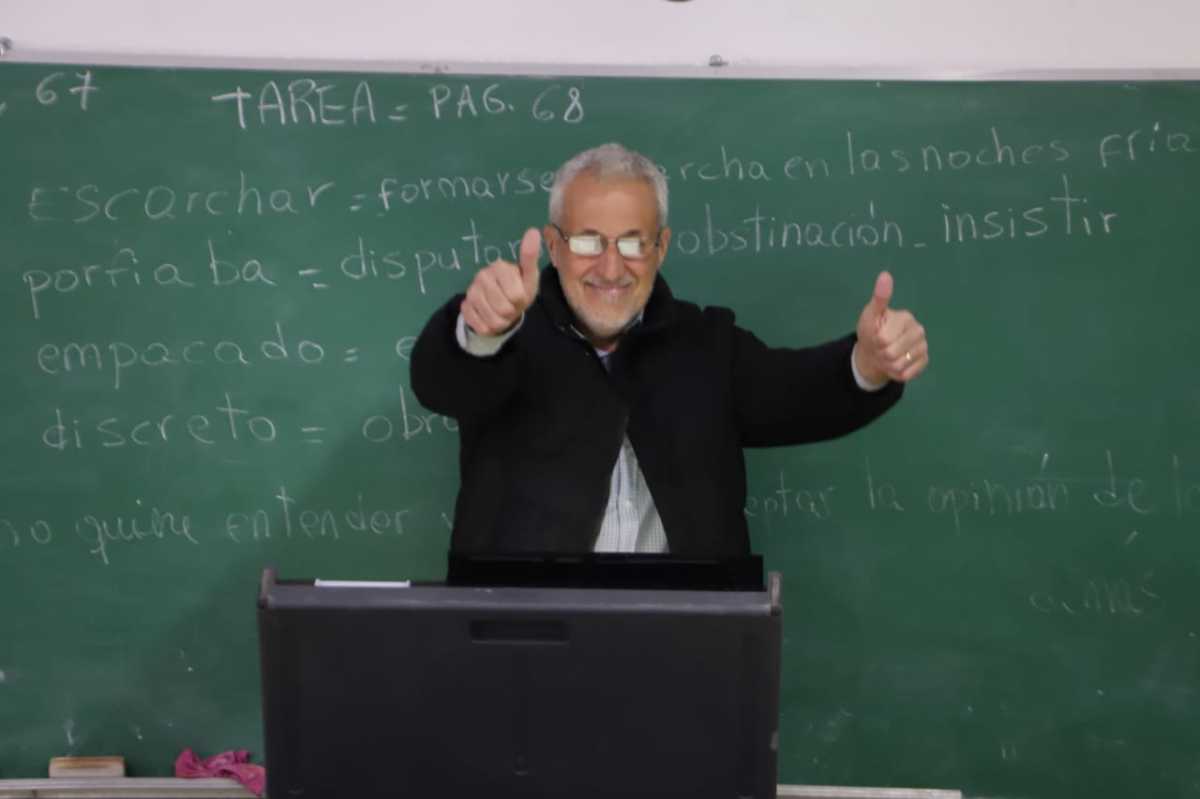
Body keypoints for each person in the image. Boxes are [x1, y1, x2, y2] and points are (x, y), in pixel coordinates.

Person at [411, 142, 928, 556]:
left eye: (634, 242)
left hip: (689, 644)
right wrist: (481, 330)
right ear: (554, 246)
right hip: (519, 645)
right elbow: (441, 381)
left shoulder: (707, 346)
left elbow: (803, 393)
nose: (611, 268)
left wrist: (869, 362)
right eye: (589, 241)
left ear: (662, 247)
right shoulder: (507, 336)